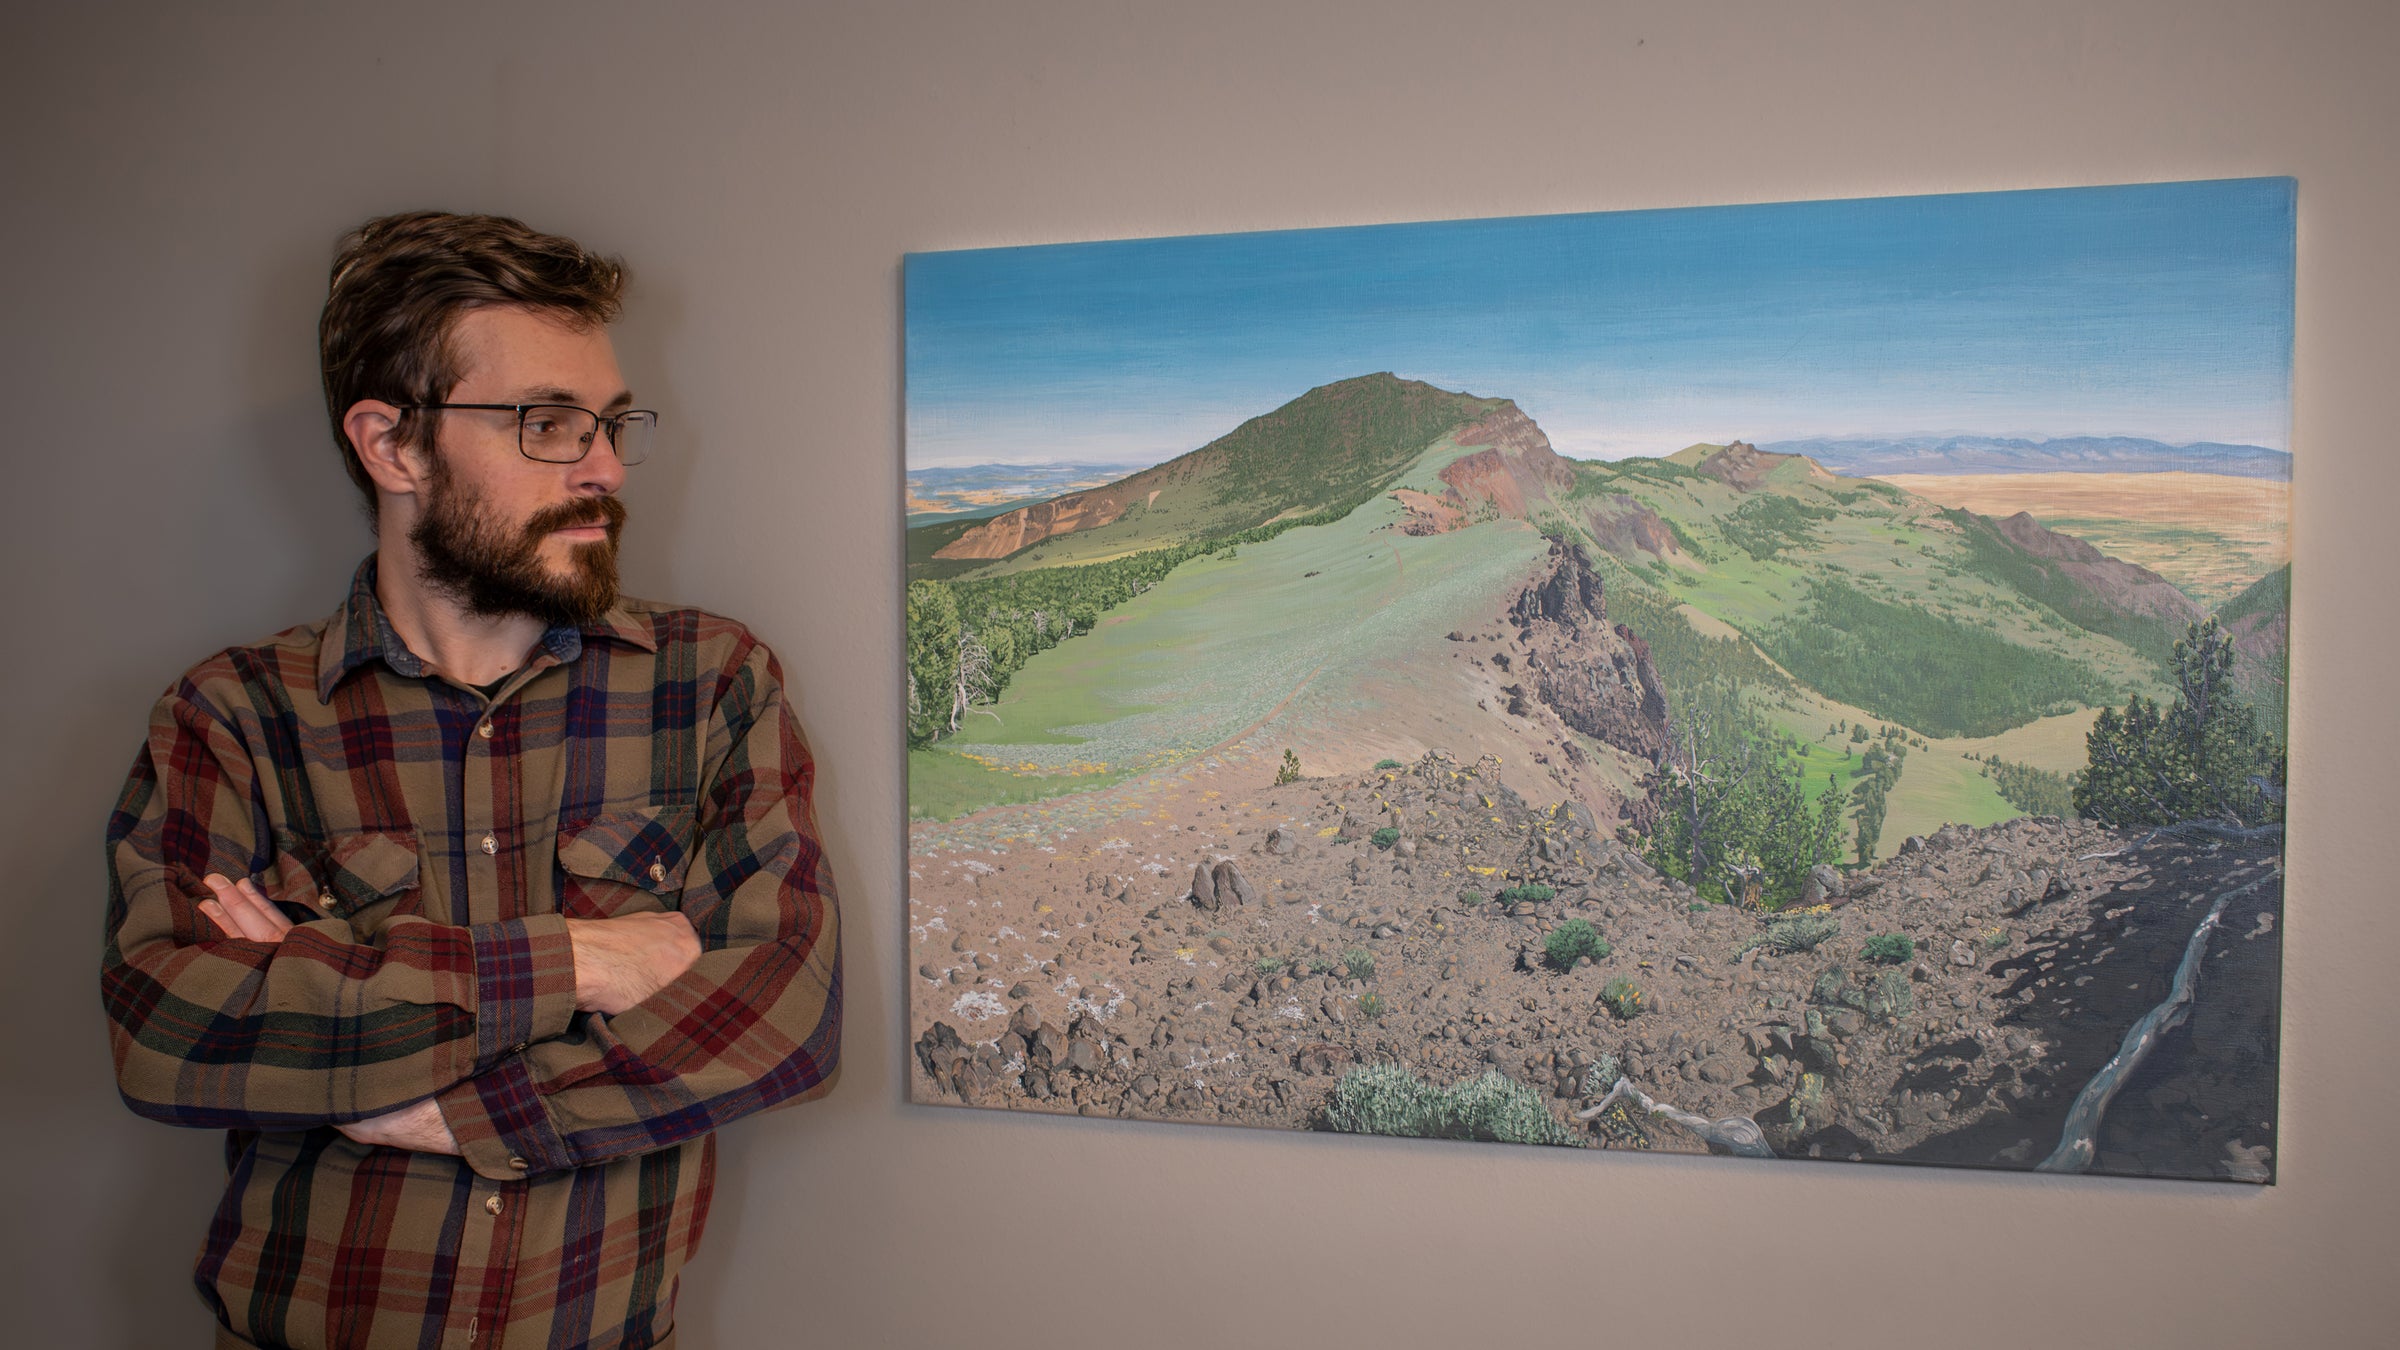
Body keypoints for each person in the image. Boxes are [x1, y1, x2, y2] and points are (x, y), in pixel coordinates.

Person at [101, 211, 842, 1350]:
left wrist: (429, 1090)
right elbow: (171, 1029)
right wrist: (583, 961)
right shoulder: (235, 715)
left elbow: (783, 1015)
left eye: (609, 422)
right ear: (391, 445)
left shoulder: (711, 685)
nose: (603, 467)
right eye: (547, 424)